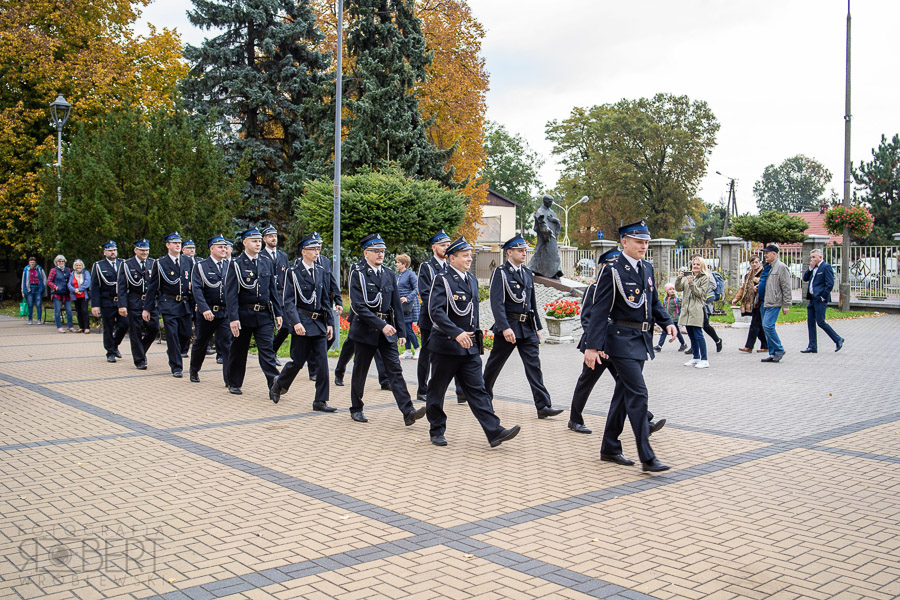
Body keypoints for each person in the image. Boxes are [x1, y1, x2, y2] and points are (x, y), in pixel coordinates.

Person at [582, 220, 677, 472]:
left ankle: (610, 447)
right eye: (638, 241)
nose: (643, 246)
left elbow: (653, 301)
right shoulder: (612, 270)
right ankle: (647, 457)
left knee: (623, 396)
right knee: (638, 394)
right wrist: (592, 347)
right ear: (624, 242)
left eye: (646, 242)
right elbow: (599, 310)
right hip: (620, 340)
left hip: (640, 341)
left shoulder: (646, 267)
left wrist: (667, 321)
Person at [425, 236, 521, 447]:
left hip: (469, 348)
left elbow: (472, 314)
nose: (469, 259)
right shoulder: (442, 279)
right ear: (451, 258)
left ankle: (494, 431)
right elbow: (436, 312)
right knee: (437, 390)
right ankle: (437, 429)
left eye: (470, 255)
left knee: (478, 390)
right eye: (465, 256)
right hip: (446, 345)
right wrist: (456, 333)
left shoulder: (471, 280)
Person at [569, 249, 668, 436]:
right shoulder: (594, 288)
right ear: (605, 266)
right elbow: (588, 319)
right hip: (599, 348)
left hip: (619, 346)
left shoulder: (628, 286)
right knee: (586, 381)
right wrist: (599, 346)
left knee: (627, 384)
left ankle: (645, 422)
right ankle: (575, 419)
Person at [347, 233, 426, 426]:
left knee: (395, 371)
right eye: (376, 251)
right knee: (360, 371)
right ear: (366, 253)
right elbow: (358, 306)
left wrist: (401, 331)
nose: (380, 254)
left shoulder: (389, 274)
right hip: (366, 329)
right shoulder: (357, 272)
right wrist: (382, 325)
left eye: (382, 251)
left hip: (387, 331)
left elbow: (395, 306)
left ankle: (408, 411)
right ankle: (356, 408)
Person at [483, 234, 562, 418]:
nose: (524, 253)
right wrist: (504, 327)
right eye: (520, 250)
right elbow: (497, 303)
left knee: (534, 366)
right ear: (509, 252)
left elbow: (531, 302)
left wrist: (538, 327)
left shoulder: (526, 272)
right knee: (494, 365)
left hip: (527, 326)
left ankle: (543, 406)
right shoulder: (501, 272)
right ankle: (483, 399)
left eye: (525, 250)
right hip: (509, 326)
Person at [270, 233, 336, 409]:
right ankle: (278, 384)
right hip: (302, 322)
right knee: (297, 362)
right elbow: (289, 301)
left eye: (318, 249)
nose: (317, 252)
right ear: (303, 251)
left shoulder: (321, 272)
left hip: (319, 323)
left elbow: (324, 300)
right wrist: (296, 322)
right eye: (313, 249)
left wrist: (329, 323)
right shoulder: (293, 272)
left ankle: (320, 400)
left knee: (322, 364)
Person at [223, 228, 283, 396]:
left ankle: (275, 386)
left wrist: (278, 313)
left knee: (267, 351)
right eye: (254, 241)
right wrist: (233, 318)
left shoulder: (266, 262)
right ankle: (234, 382)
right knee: (239, 351)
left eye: (258, 241)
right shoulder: (236, 263)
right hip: (243, 314)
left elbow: (273, 290)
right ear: (244, 243)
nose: (257, 244)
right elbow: (231, 294)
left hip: (263, 315)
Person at [416, 230, 466, 403]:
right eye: (443, 245)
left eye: (447, 245)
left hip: (451, 319)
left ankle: (461, 392)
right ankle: (422, 389)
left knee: (458, 351)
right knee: (427, 354)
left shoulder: (451, 267)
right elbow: (424, 293)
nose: (446, 248)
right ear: (434, 247)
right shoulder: (427, 267)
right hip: (431, 319)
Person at [144, 232, 194, 377]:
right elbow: (152, 287)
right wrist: (147, 308)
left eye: (179, 243)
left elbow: (193, 283)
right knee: (172, 335)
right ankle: (176, 366)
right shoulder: (160, 263)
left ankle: (174, 351)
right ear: (168, 245)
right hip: (169, 303)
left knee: (186, 334)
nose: (178, 245)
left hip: (184, 303)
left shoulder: (187, 261)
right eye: (174, 243)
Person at [188, 235, 233, 383]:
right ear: (211, 248)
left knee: (227, 344)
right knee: (201, 342)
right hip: (208, 312)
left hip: (224, 312)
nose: (224, 249)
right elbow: (197, 289)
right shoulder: (201, 266)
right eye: (220, 247)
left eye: (225, 247)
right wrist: (204, 308)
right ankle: (194, 369)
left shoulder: (229, 265)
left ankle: (229, 379)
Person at [117, 239, 159, 370]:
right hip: (134, 301)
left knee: (154, 328)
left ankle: (140, 350)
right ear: (136, 250)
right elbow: (122, 287)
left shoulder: (153, 263)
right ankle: (140, 360)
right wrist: (122, 305)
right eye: (142, 250)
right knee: (135, 332)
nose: (145, 252)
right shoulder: (127, 264)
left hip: (150, 302)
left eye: (146, 250)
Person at [91, 241, 128, 361]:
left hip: (121, 301)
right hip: (107, 300)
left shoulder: (123, 263)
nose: (113, 252)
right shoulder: (99, 265)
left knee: (125, 324)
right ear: (105, 252)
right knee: (108, 326)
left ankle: (114, 344)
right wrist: (95, 305)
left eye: (114, 250)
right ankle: (110, 352)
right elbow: (95, 286)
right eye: (110, 250)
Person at [801, 249, 844, 353]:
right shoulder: (813, 268)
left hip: (820, 299)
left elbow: (830, 283)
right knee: (810, 322)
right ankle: (812, 346)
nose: (812, 259)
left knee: (820, 322)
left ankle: (838, 339)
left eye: (814, 257)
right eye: (811, 257)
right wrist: (810, 268)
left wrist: (823, 296)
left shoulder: (826, 267)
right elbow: (805, 279)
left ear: (820, 257)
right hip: (812, 298)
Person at [261, 225, 291, 364]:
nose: (274, 238)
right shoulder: (260, 256)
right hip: (266, 296)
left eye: (275, 236)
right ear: (264, 239)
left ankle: (272, 352)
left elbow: (288, 276)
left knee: (285, 327)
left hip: (281, 296)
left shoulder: (283, 256)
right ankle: (268, 356)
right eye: (270, 236)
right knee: (268, 328)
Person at [676, 256, 712, 369]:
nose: (695, 266)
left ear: (702, 266)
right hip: (687, 308)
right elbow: (678, 288)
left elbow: (700, 293)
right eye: (694, 264)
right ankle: (695, 357)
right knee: (691, 334)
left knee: (698, 334)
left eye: (697, 264)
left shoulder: (705, 278)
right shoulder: (689, 276)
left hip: (696, 308)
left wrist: (691, 283)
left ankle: (704, 359)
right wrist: (679, 278)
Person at [759, 244, 792, 363]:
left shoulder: (781, 267)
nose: (765, 255)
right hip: (764, 301)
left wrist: (786, 304)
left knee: (768, 326)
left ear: (774, 254)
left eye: (767, 253)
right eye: (765, 253)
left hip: (774, 301)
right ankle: (773, 353)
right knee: (765, 327)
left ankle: (779, 349)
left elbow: (786, 286)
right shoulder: (768, 267)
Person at [734, 255, 767, 353]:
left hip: (760, 301)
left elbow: (766, 283)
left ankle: (749, 346)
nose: (754, 264)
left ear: (759, 262)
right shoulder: (748, 275)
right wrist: (736, 298)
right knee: (758, 325)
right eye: (752, 262)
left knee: (754, 324)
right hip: (752, 302)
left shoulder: (763, 272)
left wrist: (758, 281)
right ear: (750, 264)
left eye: (756, 262)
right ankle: (766, 345)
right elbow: (743, 288)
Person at [528, 195, 563, 278]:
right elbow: (541, 222)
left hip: (552, 238)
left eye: (552, 201)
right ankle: (536, 269)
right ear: (545, 201)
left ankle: (555, 271)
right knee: (541, 253)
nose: (551, 203)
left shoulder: (552, 212)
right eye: (549, 201)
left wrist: (555, 220)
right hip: (544, 237)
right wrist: (546, 230)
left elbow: (558, 222)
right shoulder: (540, 211)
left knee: (554, 253)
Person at [395, 254, 420, 359]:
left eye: (398, 262)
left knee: (408, 329)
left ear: (404, 264)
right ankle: (408, 350)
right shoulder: (397, 276)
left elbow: (417, 288)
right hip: (400, 307)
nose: (396, 264)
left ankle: (417, 349)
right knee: (404, 329)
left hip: (408, 307)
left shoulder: (410, 274)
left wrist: (407, 298)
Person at [654, 284, 686, 352]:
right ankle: (683, 344)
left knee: (668, 332)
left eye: (673, 289)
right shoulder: (665, 300)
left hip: (674, 318)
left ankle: (660, 346)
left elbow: (681, 306)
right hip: (667, 319)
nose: (672, 291)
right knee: (671, 332)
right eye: (670, 289)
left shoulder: (676, 300)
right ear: (667, 291)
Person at [48, 255, 74, 333]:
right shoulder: (53, 270)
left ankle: (70, 326)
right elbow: (49, 281)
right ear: (56, 262)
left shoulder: (68, 270)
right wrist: (55, 287)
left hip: (66, 293)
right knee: (57, 310)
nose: (61, 263)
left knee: (69, 310)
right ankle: (59, 327)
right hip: (57, 293)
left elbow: (71, 279)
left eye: (62, 261)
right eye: (59, 261)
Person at [68, 259, 91, 333]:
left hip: (83, 295)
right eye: (77, 265)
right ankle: (81, 327)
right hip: (75, 295)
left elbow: (87, 282)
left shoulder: (86, 272)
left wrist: (79, 289)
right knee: (79, 311)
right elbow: (69, 284)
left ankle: (87, 327)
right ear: (74, 266)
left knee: (84, 311)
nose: (78, 267)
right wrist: (74, 290)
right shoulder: (72, 274)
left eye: (80, 265)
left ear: (82, 266)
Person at [21, 257, 45, 325]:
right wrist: (23, 290)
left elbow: (44, 278)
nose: (32, 264)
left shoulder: (39, 269)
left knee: (38, 304)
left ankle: (39, 319)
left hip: (38, 289)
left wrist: (43, 287)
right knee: (30, 304)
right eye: (31, 262)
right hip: (30, 289)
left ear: (35, 263)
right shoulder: (26, 270)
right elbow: (23, 280)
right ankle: (30, 319)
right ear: (29, 263)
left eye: (33, 262)